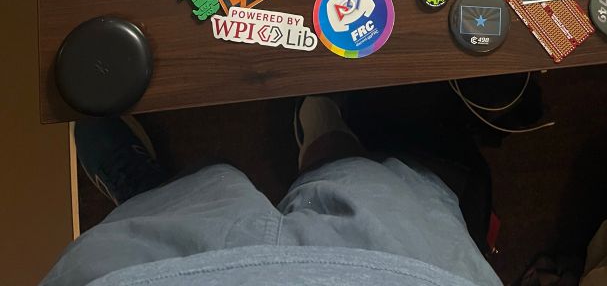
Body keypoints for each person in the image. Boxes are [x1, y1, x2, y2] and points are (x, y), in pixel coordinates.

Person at [42, 95, 502, 286]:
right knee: (364, 184)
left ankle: (152, 198)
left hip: (153, 276)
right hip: (399, 271)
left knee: (180, 209)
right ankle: (328, 143)